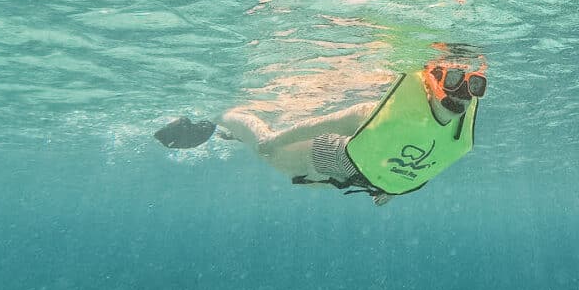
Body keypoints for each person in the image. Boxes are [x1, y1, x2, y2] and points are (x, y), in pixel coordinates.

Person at [154, 61, 486, 205]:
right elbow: (321, 125)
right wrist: (275, 141)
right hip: (337, 156)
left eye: (472, 85)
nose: (462, 93)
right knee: (267, 147)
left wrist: (391, 190)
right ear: (430, 82)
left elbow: (427, 155)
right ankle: (218, 120)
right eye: (454, 78)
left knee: (302, 175)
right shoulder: (376, 113)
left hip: (359, 172)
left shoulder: (455, 133)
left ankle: (233, 133)